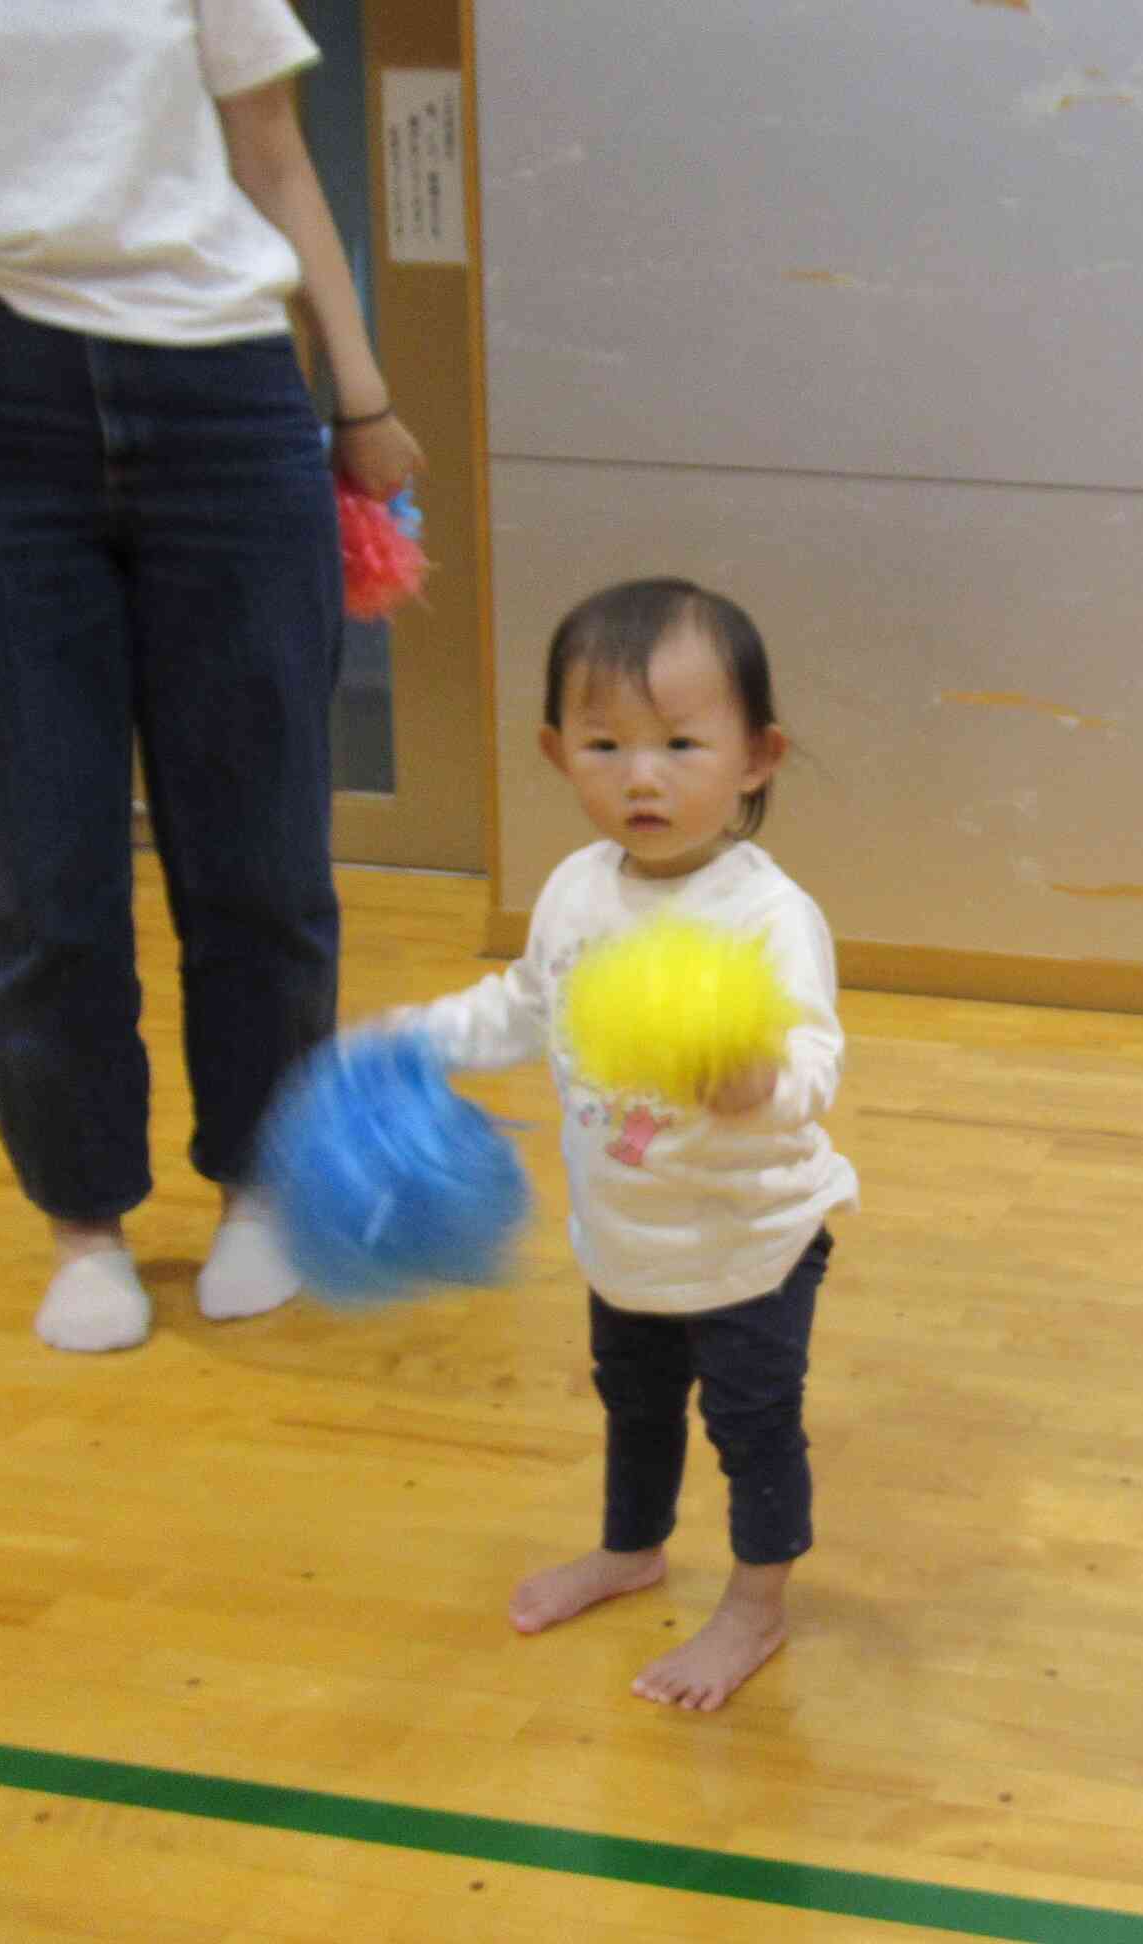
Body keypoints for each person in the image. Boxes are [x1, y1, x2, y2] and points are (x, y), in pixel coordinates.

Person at [0, 1, 423, 1351]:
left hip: (224, 392)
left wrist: (361, 397)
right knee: (33, 871)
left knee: (261, 856)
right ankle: (85, 1224)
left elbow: (274, 157)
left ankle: (261, 1188)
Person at [396, 579, 856, 1712]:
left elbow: (813, 1067)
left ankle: (755, 1605)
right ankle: (631, 1548)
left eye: (681, 743)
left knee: (751, 1428)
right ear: (557, 753)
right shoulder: (572, 894)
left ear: (758, 757)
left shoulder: (765, 916)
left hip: (753, 1242)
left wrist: (755, 1079)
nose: (641, 775)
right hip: (625, 1234)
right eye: (605, 743)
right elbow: (523, 1006)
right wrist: (414, 1040)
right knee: (634, 1405)